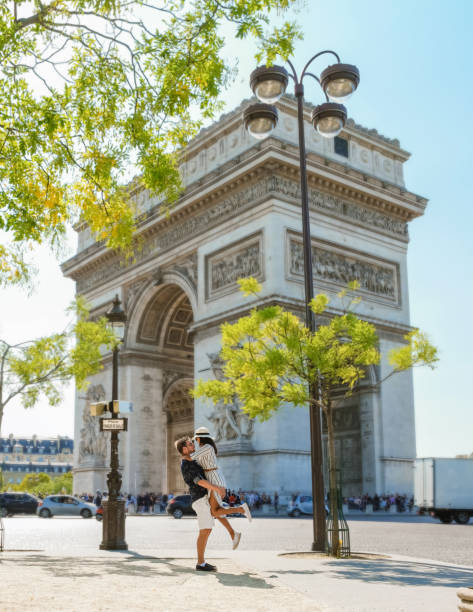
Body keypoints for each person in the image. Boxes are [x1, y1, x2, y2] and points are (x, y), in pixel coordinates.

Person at [191, 426, 252, 548]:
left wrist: (183, 455)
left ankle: (241, 509)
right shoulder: (208, 448)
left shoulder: (206, 447)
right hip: (213, 480)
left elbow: (192, 457)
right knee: (216, 512)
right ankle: (233, 533)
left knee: (214, 512)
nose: (195, 442)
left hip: (215, 481)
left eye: (195, 439)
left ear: (199, 439)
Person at [175, 436, 226, 572]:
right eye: (191, 444)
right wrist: (217, 488)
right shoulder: (186, 463)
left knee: (206, 529)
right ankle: (200, 563)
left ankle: (201, 562)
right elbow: (199, 481)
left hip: (203, 498)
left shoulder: (193, 460)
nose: (193, 446)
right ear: (184, 449)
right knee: (205, 530)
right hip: (199, 499)